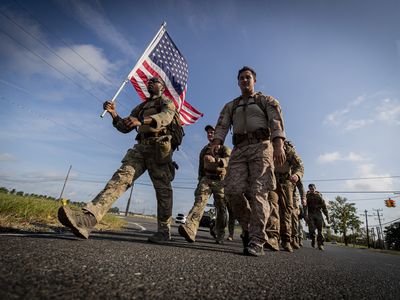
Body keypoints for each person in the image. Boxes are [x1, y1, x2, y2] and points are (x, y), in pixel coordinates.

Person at [58, 77, 178, 243]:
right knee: (120, 179)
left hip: (159, 149)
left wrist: (141, 120)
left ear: (162, 87)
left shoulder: (166, 102)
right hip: (140, 148)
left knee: (163, 192)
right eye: (149, 81)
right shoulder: (141, 106)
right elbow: (124, 126)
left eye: (155, 81)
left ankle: (164, 231)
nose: (150, 82)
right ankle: (87, 220)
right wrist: (113, 113)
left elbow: (166, 117)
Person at [211, 66, 286, 256]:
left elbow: (276, 122)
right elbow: (222, 125)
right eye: (241, 78)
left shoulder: (266, 101)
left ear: (254, 80)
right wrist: (217, 142)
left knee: (259, 193)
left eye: (248, 77)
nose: (245, 81)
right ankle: (249, 229)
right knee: (232, 191)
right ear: (238, 82)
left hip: (261, 148)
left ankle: (257, 240)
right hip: (239, 150)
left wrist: (279, 145)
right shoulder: (231, 105)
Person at [178, 125, 231, 244]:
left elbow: (229, 161)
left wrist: (217, 160)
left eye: (212, 132)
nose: (210, 134)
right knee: (199, 202)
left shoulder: (224, 148)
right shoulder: (204, 150)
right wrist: (200, 179)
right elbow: (200, 168)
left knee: (221, 208)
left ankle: (220, 233)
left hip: (220, 181)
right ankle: (190, 229)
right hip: (206, 179)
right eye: (208, 133)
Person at [265, 140, 304, 252]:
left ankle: (286, 239)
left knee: (286, 210)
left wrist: (297, 175)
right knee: (272, 205)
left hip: (287, 182)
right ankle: (273, 238)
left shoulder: (289, 150)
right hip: (272, 180)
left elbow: (299, 166)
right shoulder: (266, 146)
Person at [305, 183, 330, 250]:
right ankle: (313, 239)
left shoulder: (319, 196)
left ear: (315, 188)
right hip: (311, 214)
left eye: (312, 188)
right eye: (310, 189)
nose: (311, 190)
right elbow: (305, 207)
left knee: (320, 230)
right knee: (312, 230)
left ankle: (320, 244)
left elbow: (324, 207)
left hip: (318, 214)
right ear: (309, 189)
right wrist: (305, 216)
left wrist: (327, 216)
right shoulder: (307, 196)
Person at [291, 179, 306, 249]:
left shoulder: (299, 206)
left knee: (299, 228)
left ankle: (296, 239)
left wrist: (303, 198)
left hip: (299, 218)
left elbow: (302, 214)